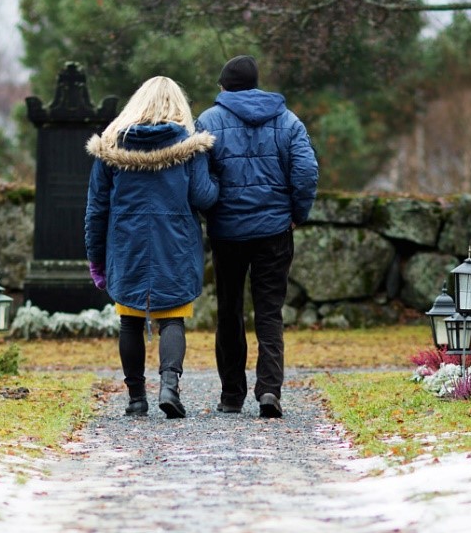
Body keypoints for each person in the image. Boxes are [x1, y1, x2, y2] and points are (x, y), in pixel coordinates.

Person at [84, 76, 218, 418]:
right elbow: (203, 197)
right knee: (172, 318)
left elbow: (96, 210)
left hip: (126, 246)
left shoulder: (111, 147)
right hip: (175, 244)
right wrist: (215, 180)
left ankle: (135, 399)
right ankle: (169, 387)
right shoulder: (190, 146)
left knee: (129, 320)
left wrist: (96, 259)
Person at [196, 55, 319, 417]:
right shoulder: (287, 120)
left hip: (227, 232)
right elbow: (306, 171)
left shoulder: (208, 121)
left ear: (224, 86)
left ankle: (231, 395)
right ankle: (269, 390)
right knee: (269, 312)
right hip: (274, 231)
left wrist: (212, 209)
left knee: (229, 311)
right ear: (255, 84)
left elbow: (198, 181)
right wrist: (297, 214)